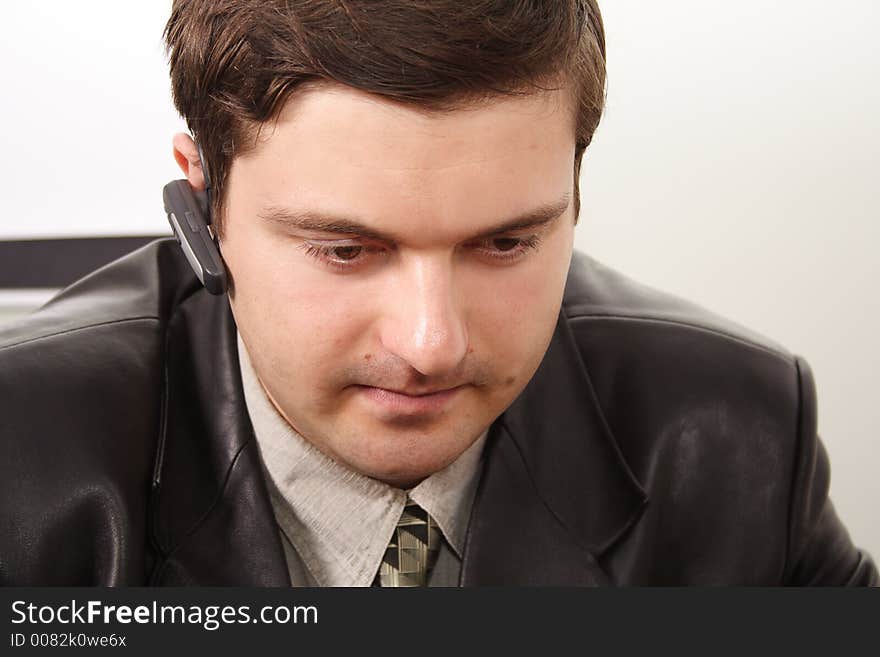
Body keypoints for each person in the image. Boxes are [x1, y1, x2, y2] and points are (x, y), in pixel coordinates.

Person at [0, 0, 875, 587]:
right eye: (345, 249)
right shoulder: (22, 460)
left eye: (506, 241)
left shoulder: (741, 441)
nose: (432, 344)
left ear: (574, 191)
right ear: (203, 202)